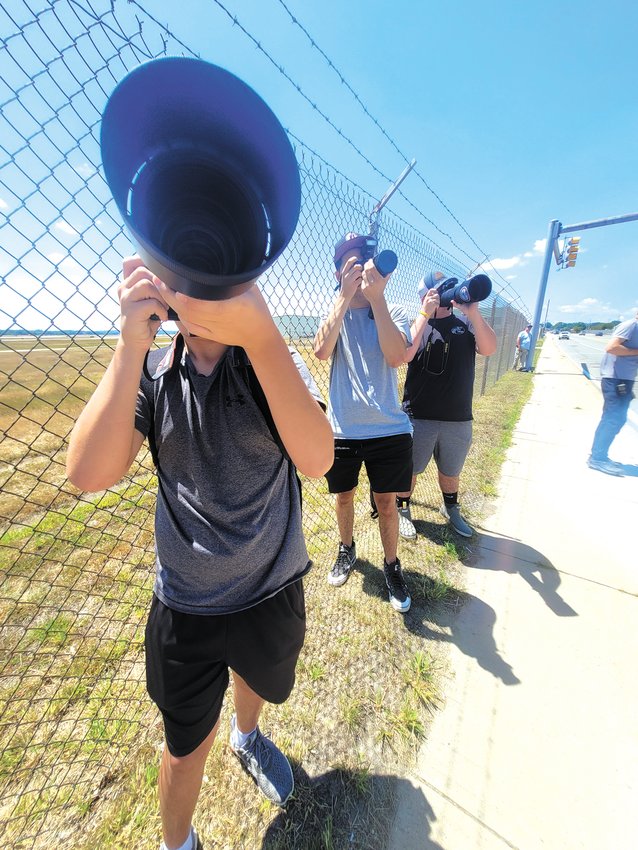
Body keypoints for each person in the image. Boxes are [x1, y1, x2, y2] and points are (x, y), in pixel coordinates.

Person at [66, 257, 333, 850]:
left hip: (270, 587)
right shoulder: (155, 376)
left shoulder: (269, 362)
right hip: (187, 604)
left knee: (257, 679)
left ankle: (246, 736)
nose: (197, 290)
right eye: (178, 270)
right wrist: (129, 346)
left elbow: (317, 458)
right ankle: (178, 843)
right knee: (183, 749)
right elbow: (86, 471)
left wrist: (261, 334)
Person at [314, 232, 414, 614]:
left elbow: (395, 357)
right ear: (338, 271)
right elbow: (321, 351)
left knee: (386, 504)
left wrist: (378, 299)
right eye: (349, 262)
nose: (358, 267)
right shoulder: (335, 309)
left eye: (363, 259)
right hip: (343, 428)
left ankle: (391, 566)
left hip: (388, 428)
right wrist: (342, 298)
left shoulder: (393, 309)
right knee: (343, 497)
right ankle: (347, 549)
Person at [397, 270, 497, 538]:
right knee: (411, 469)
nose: (447, 294)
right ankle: (403, 510)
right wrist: (425, 314)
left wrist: (473, 312)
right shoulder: (416, 324)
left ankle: (451, 508)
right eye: (441, 290)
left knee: (451, 470)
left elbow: (488, 349)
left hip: (458, 416)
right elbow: (405, 354)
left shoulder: (466, 324)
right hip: (419, 414)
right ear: (424, 295)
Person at [587, 311, 638, 476]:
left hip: (623, 379)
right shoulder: (631, 325)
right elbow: (611, 347)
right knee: (613, 418)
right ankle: (597, 458)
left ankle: (599, 455)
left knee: (616, 418)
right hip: (616, 379)